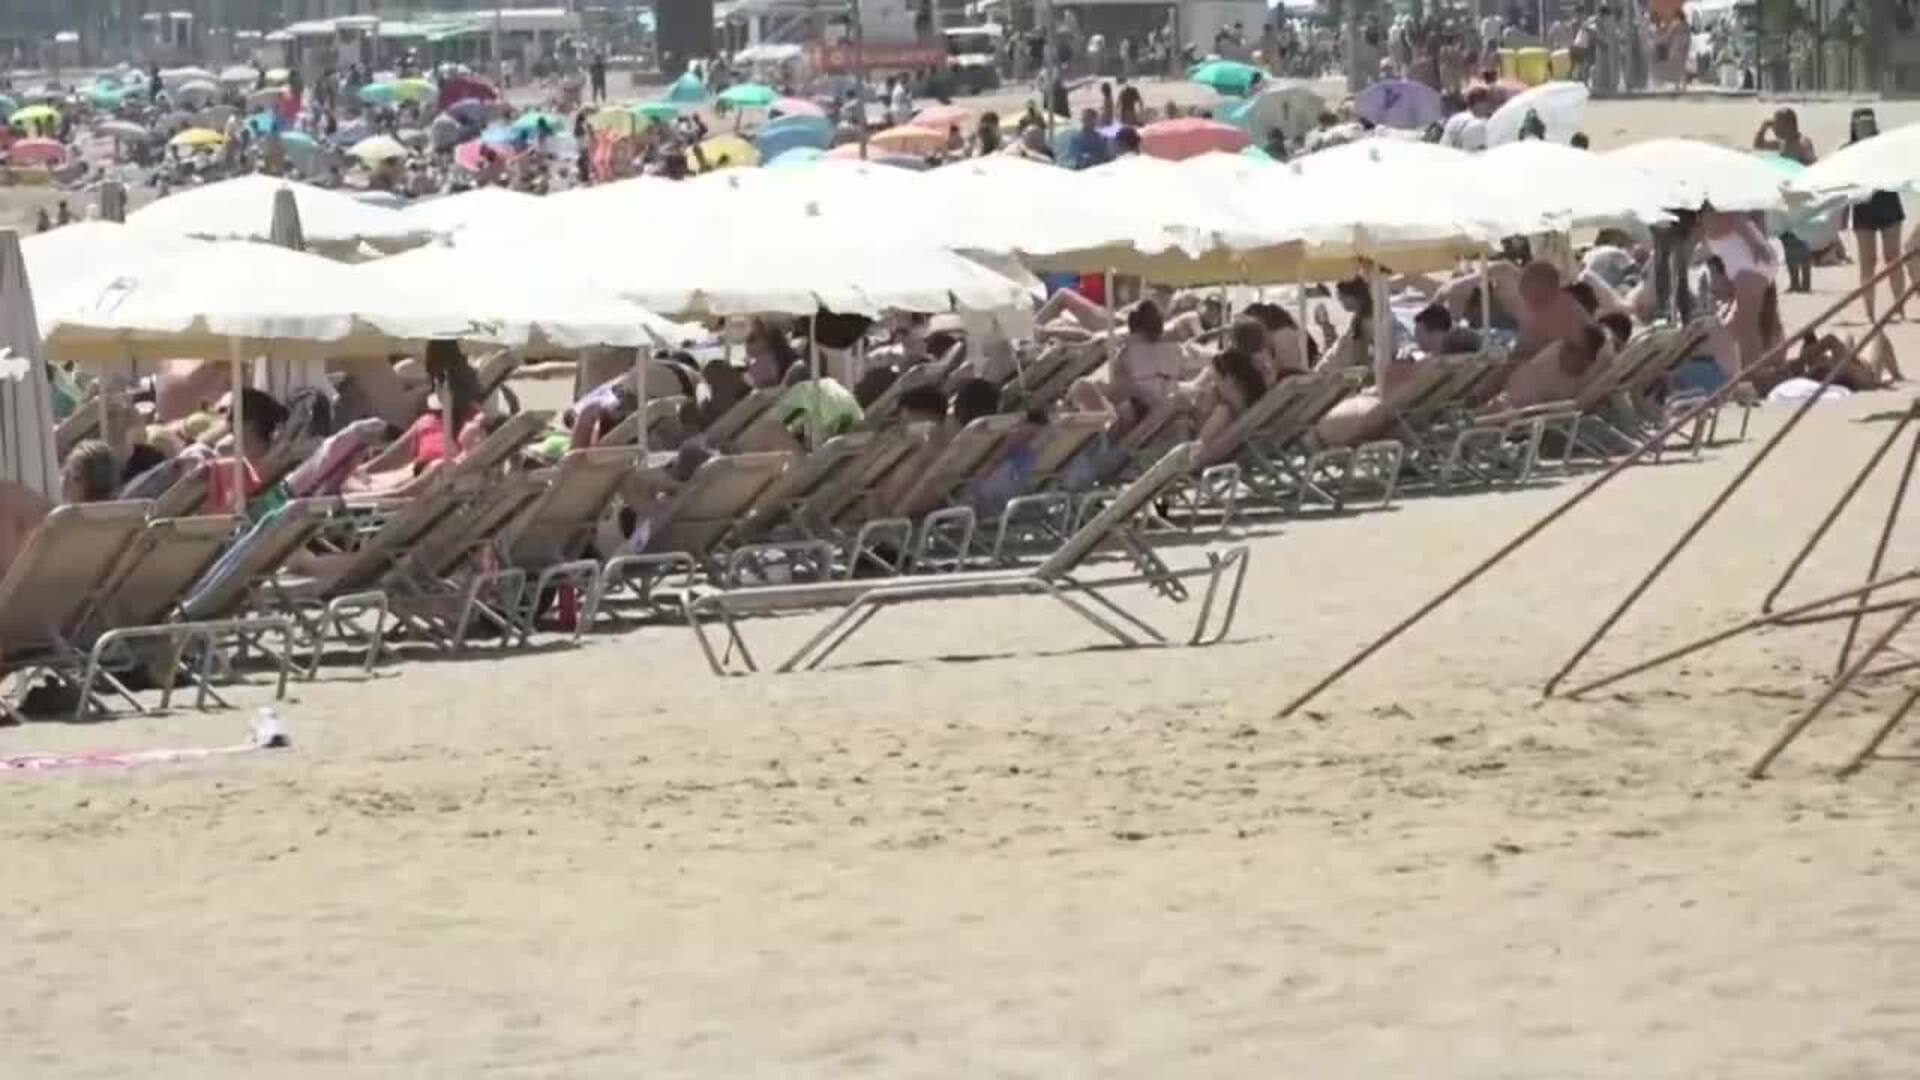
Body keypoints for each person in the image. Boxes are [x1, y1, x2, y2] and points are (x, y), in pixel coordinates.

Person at [1845, 108, 1908, 322]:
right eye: (1859, 123)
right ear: (1853, 126)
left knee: (1893, 258)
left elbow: (1901, 168)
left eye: (1868, 122)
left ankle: (1899, 308)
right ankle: (1869, 312)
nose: (1864, 126)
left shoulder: (1885, 146)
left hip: (1888, 204)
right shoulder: (1847, 151)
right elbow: (1836, 181)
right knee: (1867, 262)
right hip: (1863, 209)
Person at [1701, 208, 1779, 375]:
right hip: (1751, 265)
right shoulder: (1706, 217)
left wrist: (1755, 243)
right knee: (1736, 326)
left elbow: (1738, 219)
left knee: (1747, 328)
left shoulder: (1715, 210)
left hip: (1750, 266)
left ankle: (1752, 374)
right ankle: (1752, 370)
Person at [1756, 107, 1817, 293]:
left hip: (1800, 197)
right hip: (1785, 197)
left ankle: (1805, 283)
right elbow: (1758, 145)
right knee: (1786, 239)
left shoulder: (1802, 142)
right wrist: (1764, 127)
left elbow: (1814, 164)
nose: (1775, 129)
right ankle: (1794, 282)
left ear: (1789, 124)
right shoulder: (1782, 144)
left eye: (1778, 124)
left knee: (1802, 240)